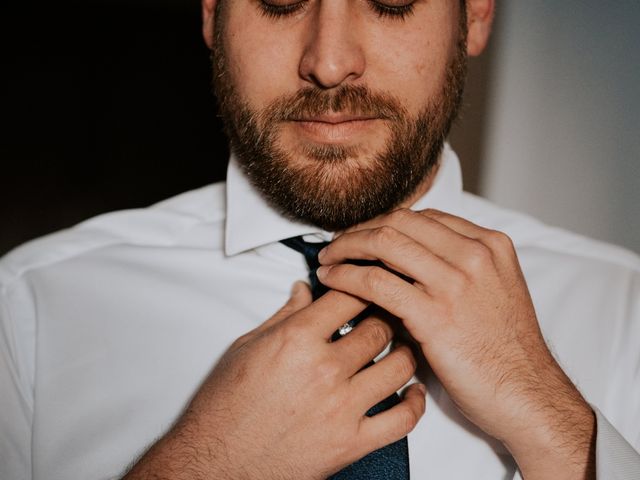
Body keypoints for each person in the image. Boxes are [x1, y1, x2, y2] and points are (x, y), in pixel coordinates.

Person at [1, 0, 639, 478]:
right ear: (211, 15)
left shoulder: (626, 310)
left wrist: (555, 428)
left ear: (473, 13)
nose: (330, 64)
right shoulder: (24, 313)